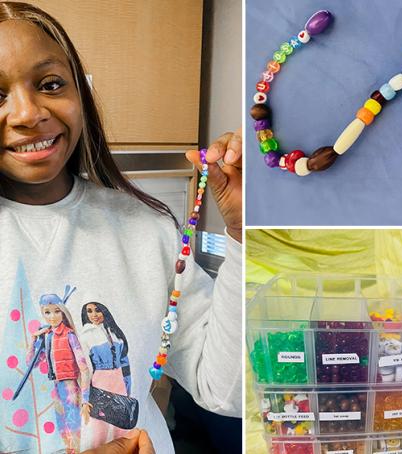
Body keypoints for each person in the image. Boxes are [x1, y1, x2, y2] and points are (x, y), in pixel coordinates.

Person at [0, 3, 242, 453]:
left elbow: (224, 391)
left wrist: (244, 233)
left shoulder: (147, 229)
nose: (28, 113)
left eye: (50, 84)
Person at [25, 287, 91, 454]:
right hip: (56, 386)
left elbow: (84, 368)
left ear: (63, 312)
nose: (52, 316)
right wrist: (34, 340)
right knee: (61, 423)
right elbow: (31, 363)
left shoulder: (69, 336)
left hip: (70, 386)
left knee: (73, 423)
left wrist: (85, 399)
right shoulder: (47, 336)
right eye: (47, 312)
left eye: (56, 311)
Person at [80, 302, 135, 447]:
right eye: (89, 311)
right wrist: (86, 397)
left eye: (97, 310)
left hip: (118, 380)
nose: (94, 314)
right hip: (100, 380)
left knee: (120, 423)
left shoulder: (114, 332)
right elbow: (85, 369)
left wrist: (127, 386)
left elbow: (124, 361)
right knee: (100, 425)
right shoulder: (86, 336)